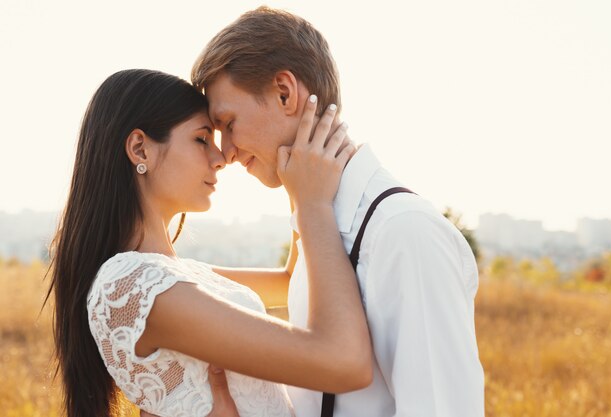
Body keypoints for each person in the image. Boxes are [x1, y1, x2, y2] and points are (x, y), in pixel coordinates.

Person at [191, 6, 485, 417]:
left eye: (229, 122)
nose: (226, 152)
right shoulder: (320, 222)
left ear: (284, 92)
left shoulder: (403, 232)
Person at [45, 68, 372, 417]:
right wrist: (313, 204)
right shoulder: (134, 284)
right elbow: (344, 362)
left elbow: (292, 279)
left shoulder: (173, 277)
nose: (220, 158)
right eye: (202, 139)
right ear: (140, 149)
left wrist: (292, 168)